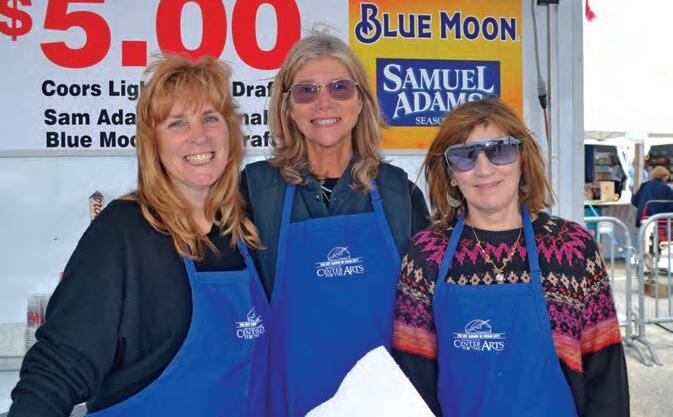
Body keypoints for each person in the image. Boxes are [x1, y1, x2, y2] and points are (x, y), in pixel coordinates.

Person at [9, 54, 268, 417]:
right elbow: (58, 367)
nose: (199, 136)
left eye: (211, 118)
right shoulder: (122, 233)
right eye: (177, 123)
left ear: (230, 131)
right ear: (153, 144)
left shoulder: (248, 230)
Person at [392, 98, 629, 416]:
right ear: (450, 174)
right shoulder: (425, 255)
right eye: (464, 156)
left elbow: (606, 377)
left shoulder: (572, 249)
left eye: (500, 150)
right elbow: (413, 381)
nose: (484, 169)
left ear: (522, 159)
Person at [241, 33, 429, 416]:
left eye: (340, 88)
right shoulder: (255, 191)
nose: (323, 102)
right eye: (306, 91)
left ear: (361, 102)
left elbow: (426, 322)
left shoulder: (399, 194)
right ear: (287, 107)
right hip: (290, 403)